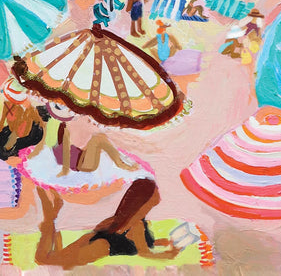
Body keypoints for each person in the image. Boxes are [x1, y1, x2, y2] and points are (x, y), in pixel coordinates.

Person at [35, 179, 181, 267]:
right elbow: (144, 253)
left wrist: (158, 242)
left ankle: (52, 215)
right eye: (155, 193)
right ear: (144, 200)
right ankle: (49, 215)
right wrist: (167, 255)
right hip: (102, 247)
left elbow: (139, 242)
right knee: (44, 260)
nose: (159, 196)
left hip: (97, 240)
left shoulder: (126, 218)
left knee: (53, 258)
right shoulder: (138, 224)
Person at [29, 102, 138, 177]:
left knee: (99, 138)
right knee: (99, 139)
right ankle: (121, 161)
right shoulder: (63, 124)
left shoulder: (61, 123)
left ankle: (121, 160)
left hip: (73, 158)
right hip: (77, 162)